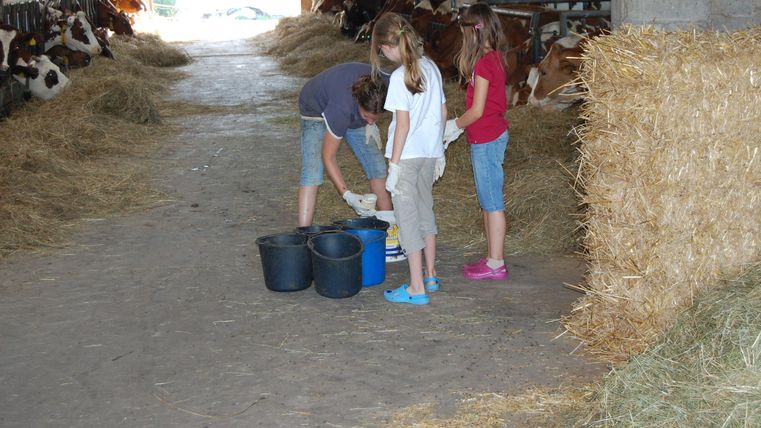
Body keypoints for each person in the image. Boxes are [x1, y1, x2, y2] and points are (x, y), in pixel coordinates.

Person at [371, 13, 446, 305]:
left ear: (388, 46)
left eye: (381, 50)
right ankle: (430, 274)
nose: (382, 55)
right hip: (428, 155)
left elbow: (401, 126)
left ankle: (416, 287)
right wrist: (439, 150)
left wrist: (394, 165)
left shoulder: (401, 78)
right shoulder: (432, 68)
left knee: (408, 219)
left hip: (408, 157)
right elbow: (441, 113)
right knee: (426, 210)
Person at [443, 3, 509, 281]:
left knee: (492, 201)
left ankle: (497, 263)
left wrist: (453, 126)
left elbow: (478, 110)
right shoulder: (492, 58)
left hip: (486, 137)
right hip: (487, 135)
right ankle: (492, 255)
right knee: (487, 199)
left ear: (474, 31)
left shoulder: (484, 64)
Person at [297, 63, 392, 227]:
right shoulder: (341, 109)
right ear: (358, 102)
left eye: (375, 118)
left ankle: (389, 225)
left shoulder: (387, 86)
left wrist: (370, 123)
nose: (370, 120)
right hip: (314, 108)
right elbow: (328, 157)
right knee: (312, 171)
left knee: (376, 165)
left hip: (350, 108)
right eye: (367, 117)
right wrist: (346, 194)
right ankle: (303, 233)